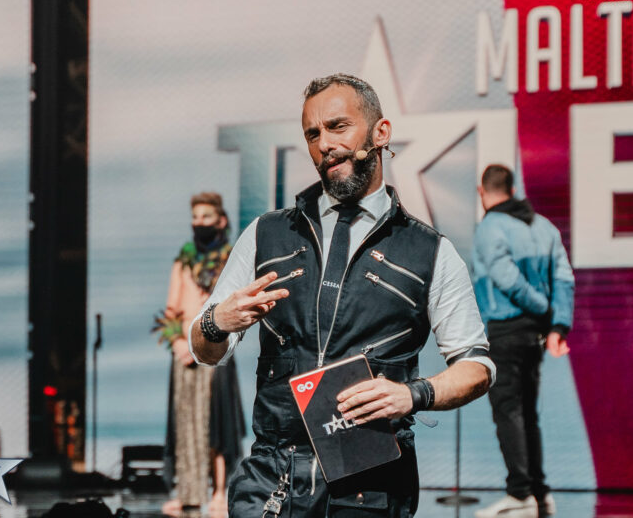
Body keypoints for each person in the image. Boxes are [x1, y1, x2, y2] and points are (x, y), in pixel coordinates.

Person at [189, 73, 496, 517]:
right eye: (312, 134)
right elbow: (205, 349)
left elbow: (477, 366)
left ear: (380, 132)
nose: (324, 144)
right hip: (272, 479)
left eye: (337, 126)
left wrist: (413, 394)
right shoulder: (266, 234)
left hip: (371, 485)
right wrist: (218, 320)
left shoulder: (430, 251)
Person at [470, 165, 574, 518]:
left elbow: (506, 278)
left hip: (506, 329)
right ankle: (540, 494)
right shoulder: (543, 225)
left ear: (482, 192)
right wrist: (557, 324)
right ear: (513, 189)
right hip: (535, 335)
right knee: (527, 413)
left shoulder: (490, 227)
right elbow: (563, 277)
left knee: (508, 410)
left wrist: (542, 310)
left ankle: (520, 496)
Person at [154, 192, 246, 518]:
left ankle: (220, 491)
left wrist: (207, 344)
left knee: (217, 426)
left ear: (220, 221)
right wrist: (179, 343)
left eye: (206, 217)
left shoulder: (230, 259)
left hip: (216, 351)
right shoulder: (184, 260)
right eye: (195, 218)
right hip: (184, 355)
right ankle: (188, 492)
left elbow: (234, 309)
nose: (199, 223)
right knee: (187, 426)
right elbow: (170, 311)